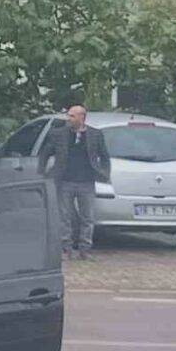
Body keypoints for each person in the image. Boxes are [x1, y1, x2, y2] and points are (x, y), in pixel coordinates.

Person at [37, 105, 111, 260]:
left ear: (82, 117)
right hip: (65, 180)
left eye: (72, 116)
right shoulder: (59, 134)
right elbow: (45, 152)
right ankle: (66, 248)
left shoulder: (95, 134)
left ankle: (85, 249)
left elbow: (104, 155)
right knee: (65, 216)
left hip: (87, 181)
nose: (68, 119)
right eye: (68, 116)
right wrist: (42, 172)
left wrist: (104, 172)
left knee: (88, 217)